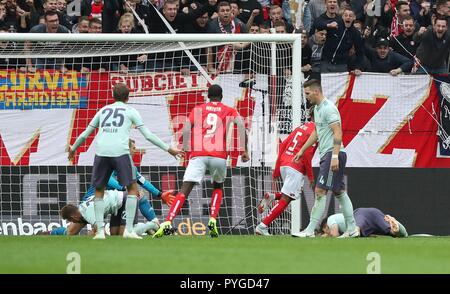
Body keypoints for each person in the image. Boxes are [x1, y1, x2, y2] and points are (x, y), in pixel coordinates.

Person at [68, 83, 184, 240]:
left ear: (113, 96)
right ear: (128, 97)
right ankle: (130, 230)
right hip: (120, 152)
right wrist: (169, 149)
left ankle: (100, 232)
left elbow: (85, 133)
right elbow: (148, 135)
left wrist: (73, 148)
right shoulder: (131, 111)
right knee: (132, 189)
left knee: (98, 191)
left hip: (101, 152)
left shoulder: (103, 110)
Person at [153, 84, 249, 238]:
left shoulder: (198, 109)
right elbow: (242, 127)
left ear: (208, 96)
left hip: (198, 154)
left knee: (185, 189)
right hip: (219, 156)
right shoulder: (229, 110)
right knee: (217, 186)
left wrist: (184, 147)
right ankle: (212, 219)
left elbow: (186, 128)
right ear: (221, 96)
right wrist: (245, 150)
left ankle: (168, 221)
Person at [293, 79, 359, 238]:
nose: (306, 97)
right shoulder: (317, 109)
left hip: (333, 153)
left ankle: (309, 230)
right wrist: (302, 149)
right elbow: (317, 132)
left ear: (316, 91)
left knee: (320, 191)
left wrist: (335, 156)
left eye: (307, 93)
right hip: (329, 154)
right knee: (339, 192)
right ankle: (352, 229)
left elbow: (338, 132)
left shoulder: (329, 108)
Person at [255, 109, 316, 236]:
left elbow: (283, 145)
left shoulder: (301, 127)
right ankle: (263, 225)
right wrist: (310, 176)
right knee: (286, 200)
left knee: (293, 195)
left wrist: (277, 168)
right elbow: (307, 155)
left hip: (284, 163)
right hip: (295, 166)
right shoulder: (315, 131)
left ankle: (272, 196)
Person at [50, 189, 160, 236]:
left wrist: (93, 233)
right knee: (115, 234)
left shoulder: (87, 212)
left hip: (126, 200)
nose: (72, 222)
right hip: (116, 206)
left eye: (70, 220)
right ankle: (147, 228)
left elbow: (100, 230)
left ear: (73, 216)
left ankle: (152, 224)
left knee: (124, 234)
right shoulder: (82, 208)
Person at [320, 207, 408, 238]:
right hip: (370, 223)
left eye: (325, 231)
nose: (327, 233)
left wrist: (327, 236)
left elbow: (335, 234)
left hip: (361, 214)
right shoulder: (342, 228)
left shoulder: (330, 219)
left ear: (325, 226)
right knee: (395, 233)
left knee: (357, 228)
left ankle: (356, 230)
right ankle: (392, 221)